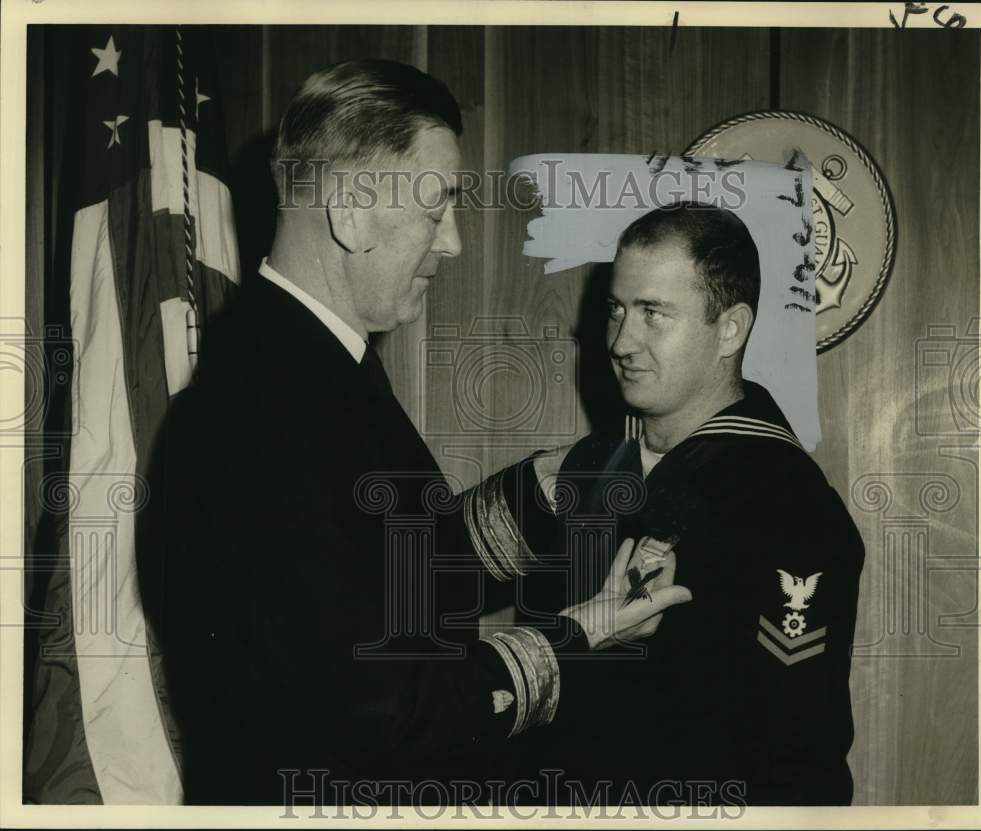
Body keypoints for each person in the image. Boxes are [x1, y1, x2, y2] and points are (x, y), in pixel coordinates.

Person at [136, 59, 691, 807]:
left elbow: (384, 580)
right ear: (350, 209)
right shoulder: (274, 405)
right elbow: (390, 704)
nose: (454, 242)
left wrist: (547, 488)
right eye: (437, 208)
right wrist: (579, 635)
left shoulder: (309, 366)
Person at [493, 202, 865, 806]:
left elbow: (798, 759)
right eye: (616, 309)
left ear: (730, 329)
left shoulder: (785, 502)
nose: (620, 340)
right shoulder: (585, 468)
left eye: (653, 314)